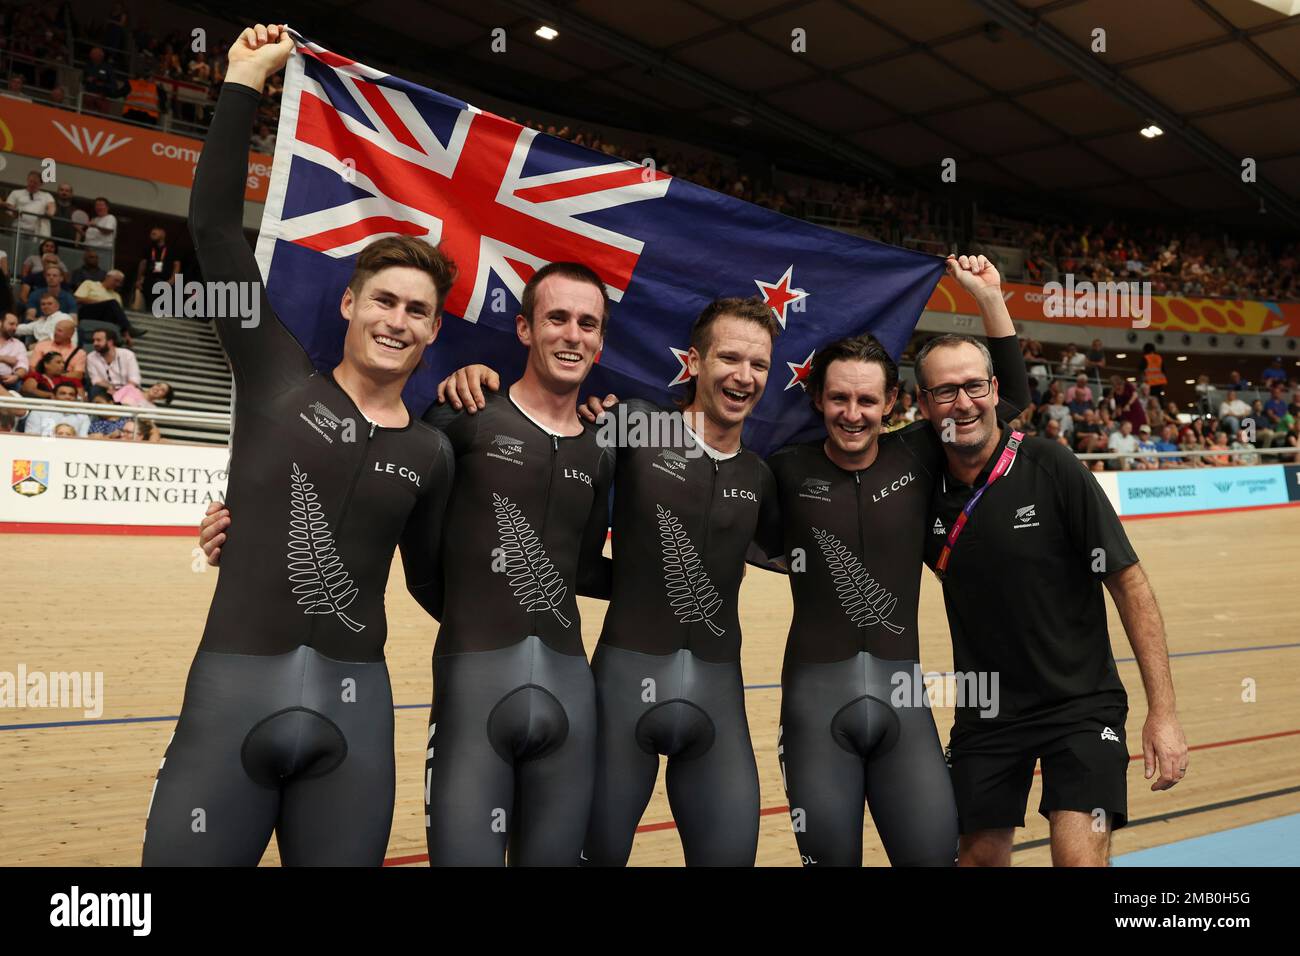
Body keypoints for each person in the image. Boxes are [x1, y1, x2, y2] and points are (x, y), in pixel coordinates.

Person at [143, 23, 456, 867]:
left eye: (418, 311)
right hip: (230, 696)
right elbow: (212, 229)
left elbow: (435, 585)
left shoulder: (434, 452)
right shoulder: (276, 372)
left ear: (433, 334)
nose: (398, 320)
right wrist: (245, 78)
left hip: (356, 717)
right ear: (350, 305)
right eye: (385, 300)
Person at [438, 294, 785, 867]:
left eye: (760, 365)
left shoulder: (761, 476)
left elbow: (802, 552)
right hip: (620, 690)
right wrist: (476, 372)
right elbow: (547, 440)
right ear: (695, 362)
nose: (744, 377)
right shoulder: (630, 426)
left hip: (719, 698)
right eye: (729, 358)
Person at [766, 254, 1028, 867]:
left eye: (866, 400)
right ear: (817, 400)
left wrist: (991, 299)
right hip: (813, 707)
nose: (851, 414)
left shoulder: (919, 455)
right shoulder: (782, 471)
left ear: (891, 405)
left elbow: (1008, 399)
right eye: (838, 399)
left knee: (935, 856)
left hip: (902, 703)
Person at [915, 333, 1189, 866]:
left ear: (996, 390)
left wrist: (1164, 713)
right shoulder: (919, 491)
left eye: (974, 385)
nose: (963, 402)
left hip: (1081, 705)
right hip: (988, 707)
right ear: (923, 404)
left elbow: (1129, 584)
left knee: (1078, 857)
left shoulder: (1052, 467)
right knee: (979, 858)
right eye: (945, 391)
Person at [136, 227, 182, 314]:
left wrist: (173, 279)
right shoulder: (148, 248)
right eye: (151, 234)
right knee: (149, 304)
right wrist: (139, 279)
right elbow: (143, 264)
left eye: (154, 234)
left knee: (163, 305)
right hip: (149, 280)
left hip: (165, 281)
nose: (151, 236)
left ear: (163, 234)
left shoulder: (172, 249)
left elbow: (177, 265)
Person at [85, 328, 141, 397]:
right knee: (95, 390)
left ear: (110, 342)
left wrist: (121, 393)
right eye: (94, 340)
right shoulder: (91, 357)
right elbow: (96, 380)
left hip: (127, 389)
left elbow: (134, 379)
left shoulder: (128, 355)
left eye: (98, 340)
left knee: (135, 392)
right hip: (105, 389)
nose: (95, 343)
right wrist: (110, 387)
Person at [23, 381, 91, 436]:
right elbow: (31, 436)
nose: (67, 397)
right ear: (53, 397)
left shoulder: (83, 416)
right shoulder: (39, 411)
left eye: (71, 394)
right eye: (63, 393)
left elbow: (83, 439)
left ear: (75, 399)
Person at [4, 170, 55, 236]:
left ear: (41, 184)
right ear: (27, 180)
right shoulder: (16, 193)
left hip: (37, 231)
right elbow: (8, 207)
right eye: (31, 181)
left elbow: (51, 207)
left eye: (35, 183)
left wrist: (49, 213)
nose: (32, 184)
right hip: (18, 228)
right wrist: (14, 212)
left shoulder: (47, 196)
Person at [0, 313, 29, 392]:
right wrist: (5, 358)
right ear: (0, 323)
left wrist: (16, 376)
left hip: (7, 381)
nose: (14, 328)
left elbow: (23, 366)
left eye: (16, 325)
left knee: (18, 384)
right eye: (11, 324)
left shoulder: (18, 344)